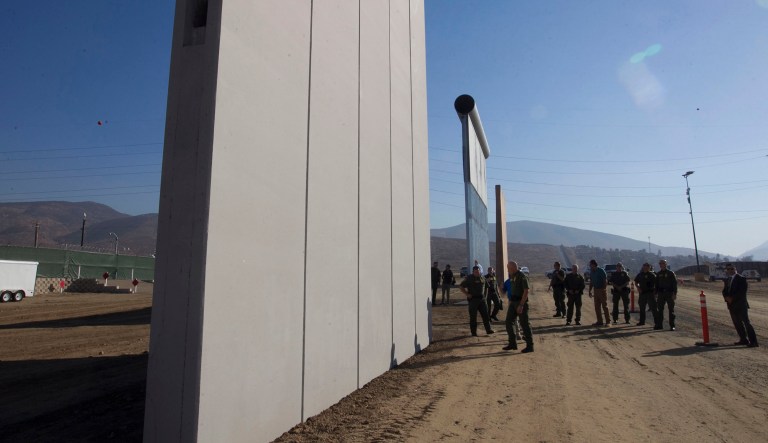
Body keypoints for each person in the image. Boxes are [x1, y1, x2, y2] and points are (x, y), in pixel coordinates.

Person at [722, 264, 758, 347]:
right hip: (731, 305)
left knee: (746, 323)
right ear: (726, 270)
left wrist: (732, 299)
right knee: (737, 323)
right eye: (728, 269)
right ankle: (743, 339)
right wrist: (726, 298)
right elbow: (724, 291)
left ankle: (753, 342)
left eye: (732, 268)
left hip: (741, 305)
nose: (730, 270)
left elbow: (742, 292)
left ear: (735, 269)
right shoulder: (727, 280)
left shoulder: (741, 279)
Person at [501, 261, 533, 353]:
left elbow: (526, 291)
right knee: (508, 322)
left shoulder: (522, 276)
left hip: (520, 302)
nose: (507, 270)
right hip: (513, 302)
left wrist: (521, 305)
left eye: (508, 268)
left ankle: (530, 346)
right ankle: (512, 343)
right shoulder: (512, 277)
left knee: (524, 324)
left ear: (513, 268)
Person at [459, 266, 494, 337]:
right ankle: (473, 332)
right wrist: (467, 294)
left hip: (482, 300)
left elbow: (487, 287)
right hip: (473, 301)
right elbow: (461, 286)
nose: (477, 272)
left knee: (486, 315)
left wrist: (485, 296)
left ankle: (488, 329)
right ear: (473, 272)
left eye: (478, 271)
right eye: (476, 271)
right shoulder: (469, 278)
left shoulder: (482, 277)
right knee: (473, 317)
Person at [655, 259, 677, 331]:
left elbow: (674, 284)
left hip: (669, 293)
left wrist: (674, 293)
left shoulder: (671, 273)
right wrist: (656, 293)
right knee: (660, 310)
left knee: (671, 310)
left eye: (663, 263)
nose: (662, 265)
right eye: (660, 264)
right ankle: (659, 325)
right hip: (661, 294)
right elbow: (656, 285)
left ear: (666, 264)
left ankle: (672, 325)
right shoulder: (658, 274)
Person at [588, 260, 610, 326]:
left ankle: (608, 322)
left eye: (590, 265)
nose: (590, 266)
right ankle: (600, 321)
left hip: (602, 289)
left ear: (594, 264)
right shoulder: (591, 272)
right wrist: (590, 291)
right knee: (597, 307)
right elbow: (591, 282)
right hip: (596, 289)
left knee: (604, 306)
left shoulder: (601, 270)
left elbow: (605, 280)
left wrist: (604, 289)